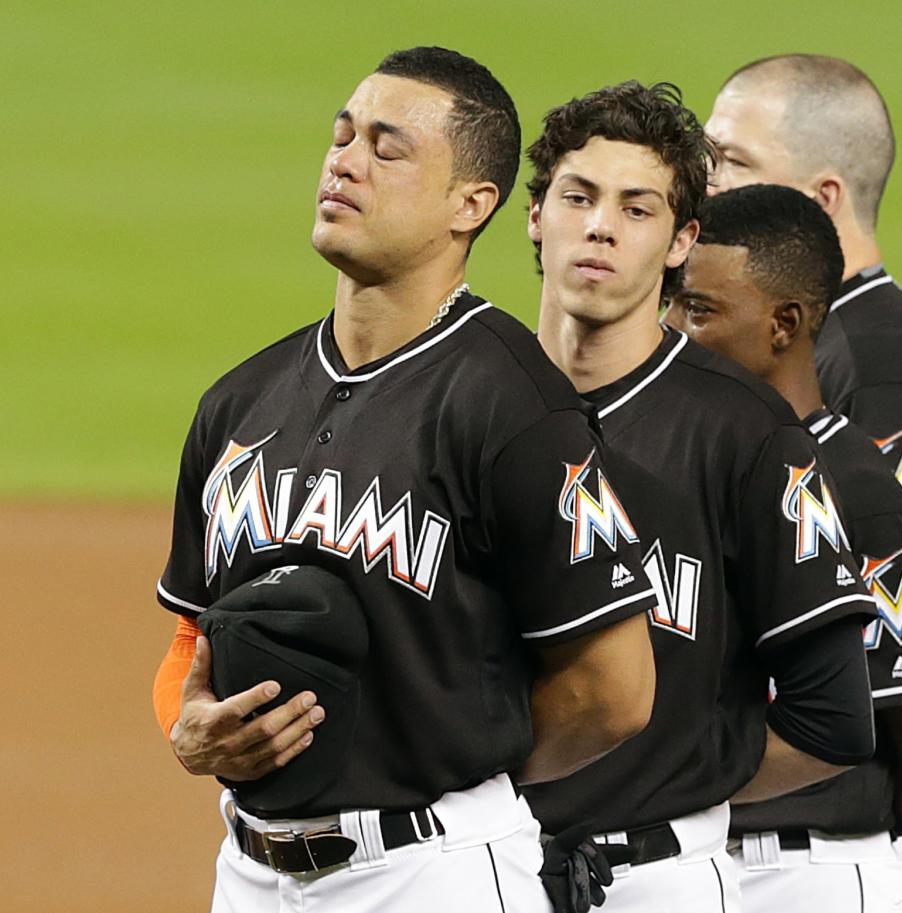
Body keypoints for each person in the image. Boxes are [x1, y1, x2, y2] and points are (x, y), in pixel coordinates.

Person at [150, 46, 661, 913]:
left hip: (430, 873)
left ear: (473, 203)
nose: (344, 159)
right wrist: (187, 731)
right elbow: (192, 643)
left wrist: (449, 777)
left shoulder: (516, 403)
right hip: (248, 874)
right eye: (342, 135)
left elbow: (616, 689)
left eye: (387, 148)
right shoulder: (240, 400)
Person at [523, 81, 878, 913]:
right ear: (536, 213)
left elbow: (834, 720)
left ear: (683, 238)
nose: (601, 225)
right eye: (578, 196)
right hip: (467, 868)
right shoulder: (461, 397)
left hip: (655, 879)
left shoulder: (746, 433)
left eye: (637, 208)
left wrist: (660, 786)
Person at [706, 54, 902, 913]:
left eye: (732, 159)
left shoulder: (875, 361)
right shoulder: (851, 335)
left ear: (824, 199)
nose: (706, 180)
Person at [664, 182, 902, 912]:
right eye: (672, 303)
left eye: (700, 309)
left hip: (801, 880)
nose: (672, 329)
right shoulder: (692, 461)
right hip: (688, 871)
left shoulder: (853, 488)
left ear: (784, 323)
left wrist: (848, 829)